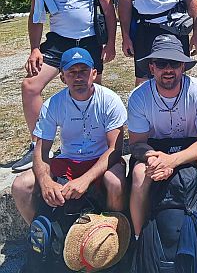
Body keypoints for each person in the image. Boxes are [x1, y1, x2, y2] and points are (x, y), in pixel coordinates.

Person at [12, 0, 116, 173]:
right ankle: (38, 146)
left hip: (89, 41)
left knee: (93, 93)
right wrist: (34, 49)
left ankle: (96, 146)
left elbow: (108, 10)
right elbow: (35, 15)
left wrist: (111, 42)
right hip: (58, 42)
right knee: (30, 86)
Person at [127, 34, 197, 236]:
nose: (168, 69)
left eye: (174, 63)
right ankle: (140, 238)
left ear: (183, 67)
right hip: (154, 149)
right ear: (151, 68)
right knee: (139, 174)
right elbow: (136, 144)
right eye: (161, 63)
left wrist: (172, 161)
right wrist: (153, 159)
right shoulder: (138, 96)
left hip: (193, 146)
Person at [12, 47, 127, 224]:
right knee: (21, 186)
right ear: (62, 78)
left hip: (101, 159)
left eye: (83, 71)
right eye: (72, 72)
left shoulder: (110, 100)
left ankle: (114, 229)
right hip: (68, 160)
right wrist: (45, 181)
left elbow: (114, 149)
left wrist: (85, 180)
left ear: (94, 74)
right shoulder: (53, 104)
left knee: (115, 181)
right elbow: (41, 150)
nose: (78, 77)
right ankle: (42, 232)